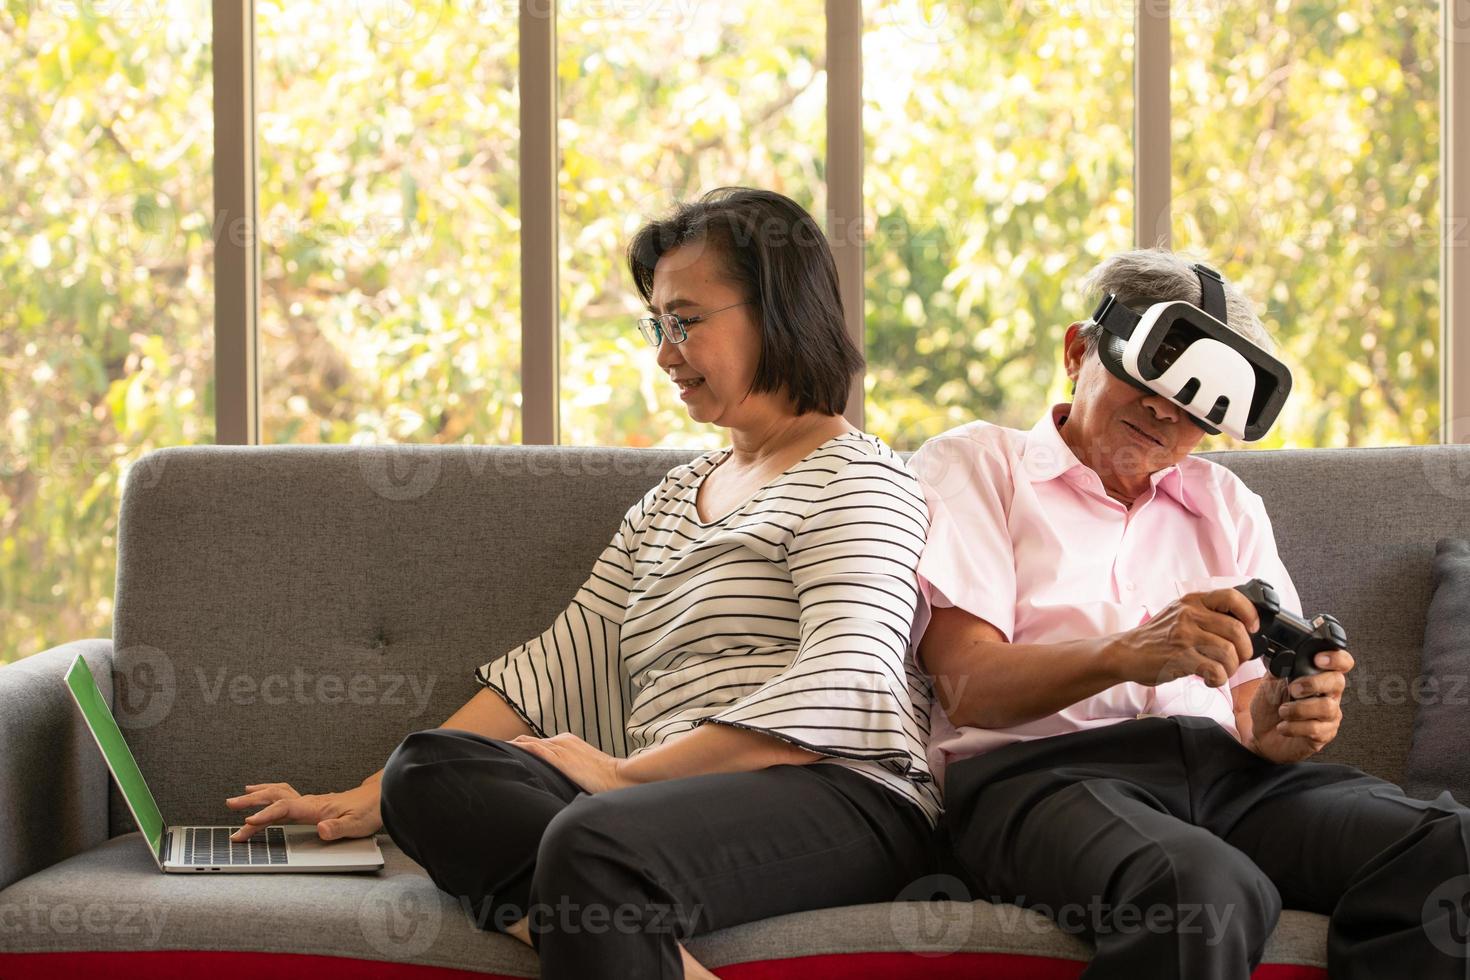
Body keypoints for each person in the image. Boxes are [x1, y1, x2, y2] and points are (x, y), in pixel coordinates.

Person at [224, 187, 941, 979]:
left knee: (590, 843)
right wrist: (370, 796)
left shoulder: (861, 479)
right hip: (660, 802)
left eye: (687, 320)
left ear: (778, 308)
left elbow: (848, 679)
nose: (666, 354)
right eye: (657, 325)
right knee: (430, 769)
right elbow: (564, 663)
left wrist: (627, 776)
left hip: (842, 795)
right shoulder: (670, 500)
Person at [911, 248, 1470, 979]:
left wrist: (1277, 725)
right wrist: (1129, 651)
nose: (1164, 415)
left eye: (1195, 408)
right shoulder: (979, 465)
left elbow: (1250, 713)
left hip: (1224, 773)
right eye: (1149, 380)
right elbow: (967, 685)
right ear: (1079, 350)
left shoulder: (1228, 505)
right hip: (1037, 777)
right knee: (1206, 895)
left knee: (1452, 850)